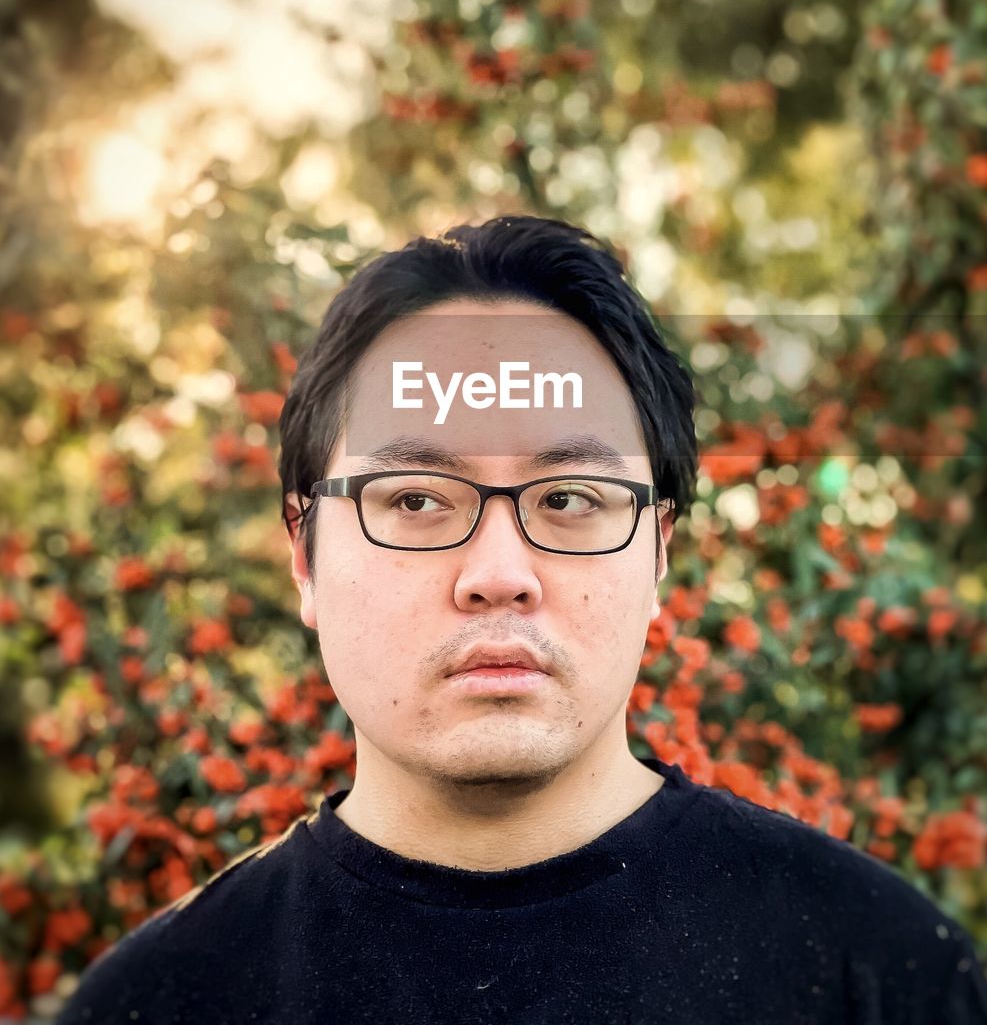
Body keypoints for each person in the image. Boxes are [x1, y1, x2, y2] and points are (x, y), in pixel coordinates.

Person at [57, 215, 987, 1024]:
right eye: (415, 499)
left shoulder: (877, 976)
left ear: (658, 552)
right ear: (304, 553)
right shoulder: (161, 1001)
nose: (498, 575)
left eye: (570, 497)